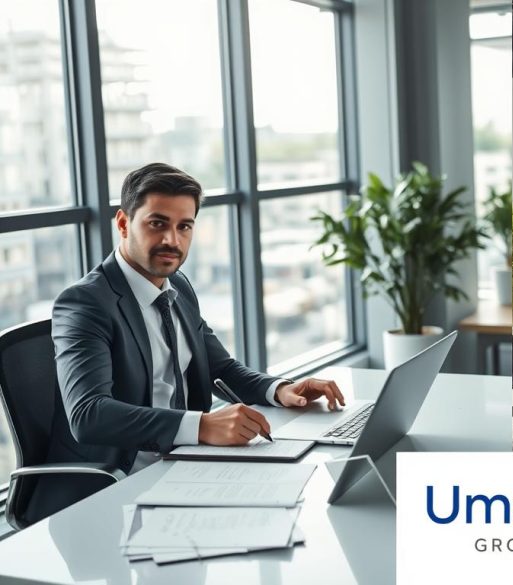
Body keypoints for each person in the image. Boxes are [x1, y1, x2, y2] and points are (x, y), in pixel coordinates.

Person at [30, 163, 346, 522]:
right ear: (122, 223)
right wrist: (201, 425)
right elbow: (89, 415)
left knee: (294, 508)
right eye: (157, 223)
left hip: (182, 465)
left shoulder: (177, 286)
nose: (172, 241)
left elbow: (220, 367)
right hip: (111, 485)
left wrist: (281, 390)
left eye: (184, 227)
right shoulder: (86, 303)